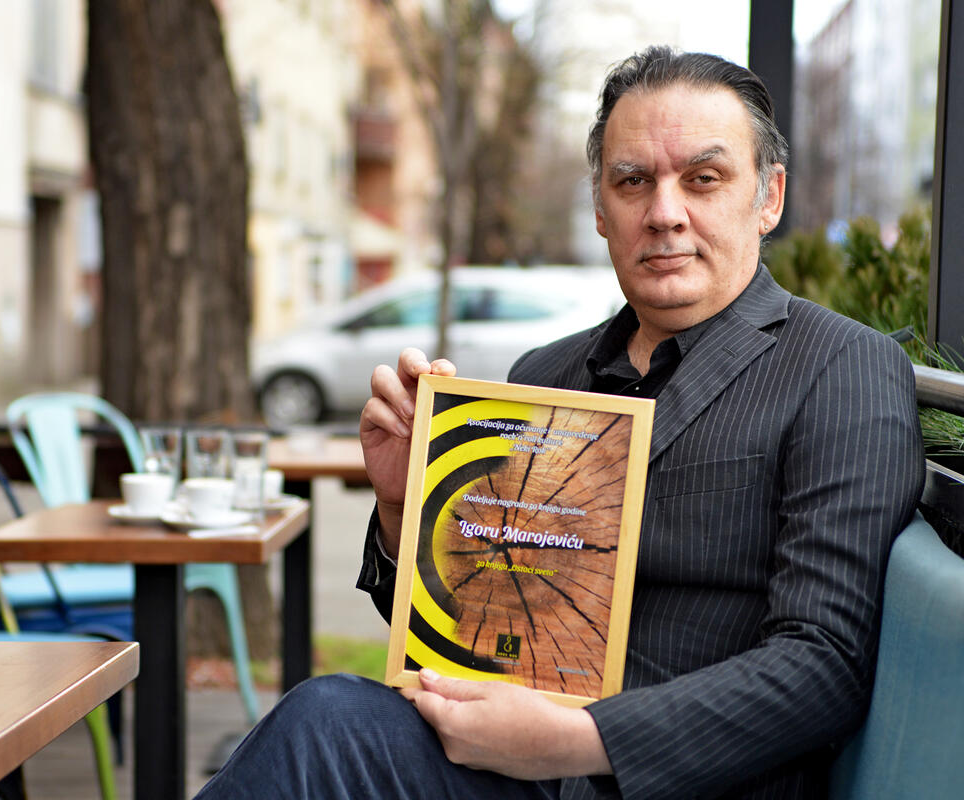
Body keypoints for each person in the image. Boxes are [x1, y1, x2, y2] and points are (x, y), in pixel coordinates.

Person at [196, 45, 925, 799]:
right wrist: (406, 510)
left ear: (769, 197)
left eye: (703, 179)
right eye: (633, 181)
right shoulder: (542, 375)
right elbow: (461, 623)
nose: (664, 212)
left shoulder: (841, 367)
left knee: (323, 725)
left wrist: (574, 743)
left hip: (676, 783)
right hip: (497, 768)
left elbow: (824, 662)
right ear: (601, 210)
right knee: (326, 722)